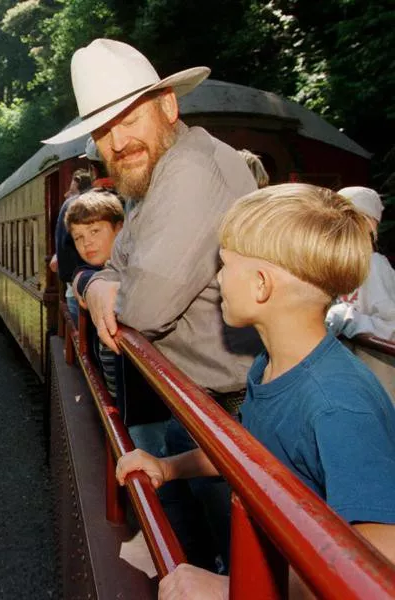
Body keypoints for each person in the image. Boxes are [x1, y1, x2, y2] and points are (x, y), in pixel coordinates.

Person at [116, 183, 395, 598]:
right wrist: (170, 467)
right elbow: (250, 452)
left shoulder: (338, 406)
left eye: (225, 265)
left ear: (261, 285)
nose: (218, 277)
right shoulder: (270, 365)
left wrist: (235, 589)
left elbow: (379, 564)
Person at [44, 38, 261, 568]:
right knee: (207, 550)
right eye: (103, 130)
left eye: (129, 118)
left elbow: (145, 307)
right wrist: (97, 284)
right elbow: (115, 270)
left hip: (228, 411)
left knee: (239, 564)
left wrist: (102, 285)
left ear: (168, 105)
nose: (117, 142)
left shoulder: (188, 173)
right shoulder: (153, 176)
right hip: (199, 405)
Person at [64, 188, 125, 404]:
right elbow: (82, 275)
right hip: (117, 398)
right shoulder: (90, 272)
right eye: (78, 237)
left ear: (120, 229)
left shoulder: (130, 272)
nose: (86, 243)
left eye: (95, 231)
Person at [326, 186, 395, 341]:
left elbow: (390, 327)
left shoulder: (374, 265)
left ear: (370, 224)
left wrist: (347, 318)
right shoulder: (324, 260)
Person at [49, 167, 93, 323]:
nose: (66, 196)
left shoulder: (74, 207)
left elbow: (56, 265)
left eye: (72, 193)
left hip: (77, 292)